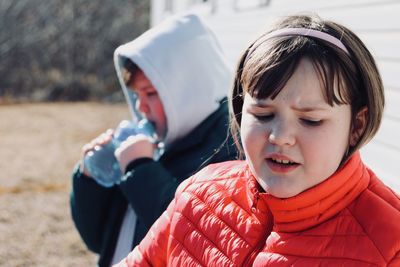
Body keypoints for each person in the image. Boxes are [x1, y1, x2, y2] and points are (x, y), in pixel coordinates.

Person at [114, 14, 400, 266]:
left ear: (356, 125)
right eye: (263, 115)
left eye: (310, 120)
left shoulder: (390, 246)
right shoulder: (199, 194)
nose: (280, 137)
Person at [70, 14, 238, 267]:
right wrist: (90, 180)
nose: (140, 107)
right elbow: (97, 240)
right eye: (136, 94)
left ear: (187, 88)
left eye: (150, 93)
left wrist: (139, 168)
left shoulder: (226, 150)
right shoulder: (157, 141)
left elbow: (191, 238)